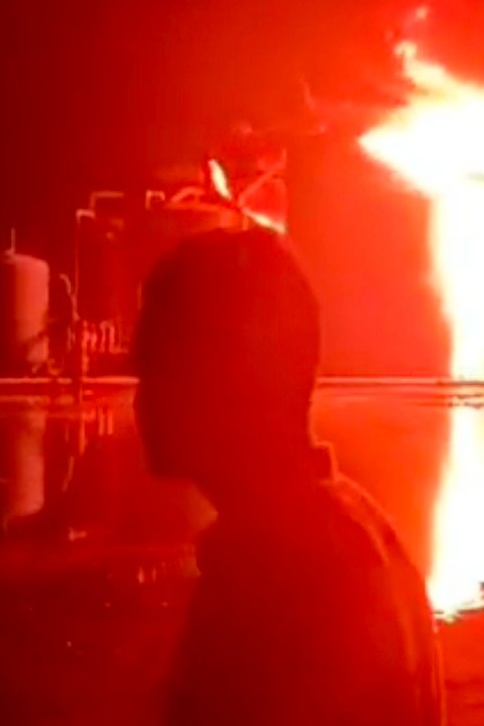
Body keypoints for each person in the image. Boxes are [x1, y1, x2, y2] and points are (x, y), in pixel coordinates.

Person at [133, 228, 443, 726]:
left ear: (224, 374)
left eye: (155, 368)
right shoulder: (354, 533)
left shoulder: (278, 579)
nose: (140, 401)